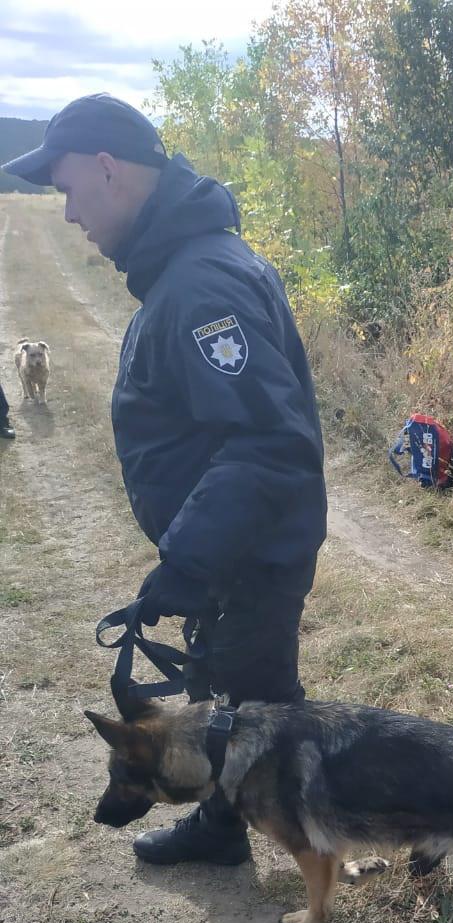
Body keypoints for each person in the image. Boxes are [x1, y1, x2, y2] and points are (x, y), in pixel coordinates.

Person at [3, 95, 327, 864]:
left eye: (69, 187)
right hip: (230, 556)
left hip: (246, 558)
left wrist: (187, 560)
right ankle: (223, 830)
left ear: (109, 170)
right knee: (222, 694)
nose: (71, 211)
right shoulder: (188, 266)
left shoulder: (200, 285)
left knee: (263, 714)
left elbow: (268, 445)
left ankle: (343, 834)